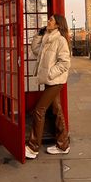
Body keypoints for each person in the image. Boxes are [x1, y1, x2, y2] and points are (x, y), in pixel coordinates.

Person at [25, 14, 71, 159]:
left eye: (51, 20)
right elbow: (35, 50)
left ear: (58, 25)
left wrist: (50, 74)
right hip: (49, 81)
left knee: (39, 110)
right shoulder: (47, 39)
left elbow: (65, 63)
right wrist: (39, 34)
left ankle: (33, 148)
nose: (48, 21)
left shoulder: (60, 40)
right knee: (56, 111)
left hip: (55, 81)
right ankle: (63, 144)